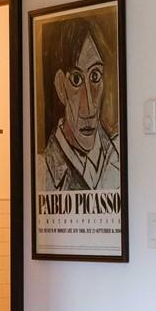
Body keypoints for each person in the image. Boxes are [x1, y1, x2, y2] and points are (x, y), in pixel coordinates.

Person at [39, 20, 121, 192]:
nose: (89, 108)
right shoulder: (42, 170)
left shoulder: (119, 153)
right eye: (76, 79)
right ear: (61, 87)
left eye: (95, 76)